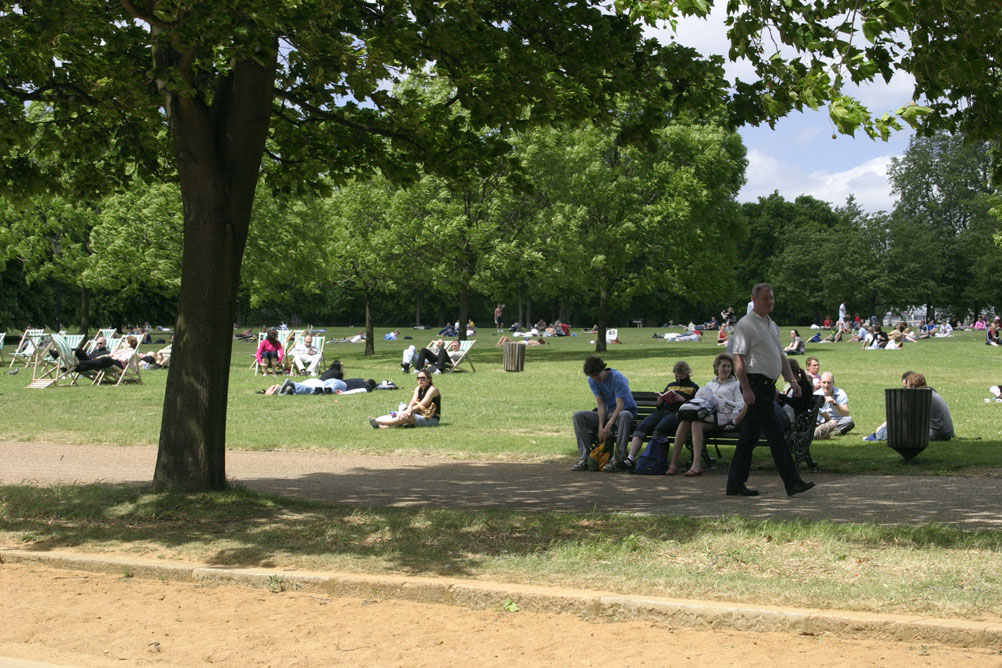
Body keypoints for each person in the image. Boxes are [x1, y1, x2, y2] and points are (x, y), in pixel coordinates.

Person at [726, 283, 814, 497]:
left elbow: (780, 356)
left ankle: (735, 483)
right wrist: (746, 389)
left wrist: (792, 381)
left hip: (766, 387)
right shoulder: (746, 324)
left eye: (772, 298)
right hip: (755, 386)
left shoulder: (771, 324)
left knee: (748, 438)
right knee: (775, 435)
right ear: (754, 299)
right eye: (766, 298)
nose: (770, 302)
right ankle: (792, 482)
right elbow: (737, 358)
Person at [667, 353, 746, 477]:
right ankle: (673, 464)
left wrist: (721, 400)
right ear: (716, 368)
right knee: (684, 422)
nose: (726, 369)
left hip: (724, 415)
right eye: (723, 366)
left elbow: (740, 405)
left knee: (696, 423)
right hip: (706, 413)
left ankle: (696, 465)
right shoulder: (710, 384)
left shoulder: (735, 385)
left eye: (729, 366)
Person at [618, 361, 699, 472]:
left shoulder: (693, 387)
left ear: (687, 374)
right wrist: (660, 401)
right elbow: (659, 408)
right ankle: (630, 459)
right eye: (676, 376)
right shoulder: (670, 385)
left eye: (681, 376)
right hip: (663, 411)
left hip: (677, 413)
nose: (679, 379)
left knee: (660, 429)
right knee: (642, 427)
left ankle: (652, 459)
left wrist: (684, 400)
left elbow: (695, 405)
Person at [571, 356, 637, 471]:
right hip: (607, 413)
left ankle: (620, 459)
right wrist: (600, 426)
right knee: (578, 416)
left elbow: (620, 405)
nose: (596, 379)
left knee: (624, 415)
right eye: (592, 376)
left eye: (597, 375)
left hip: (623, 412)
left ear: (603, 369)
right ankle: (585, 458)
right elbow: (600, 405)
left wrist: (608, 425)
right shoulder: (592, 380)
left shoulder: (617, 378)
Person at [864, 372, 954, 442]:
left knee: (897, 432)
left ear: (913, 386)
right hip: (946, 432)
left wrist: (882, 428)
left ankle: (876, 436)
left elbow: (903, 418)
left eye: (906, 388)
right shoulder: (931, 393)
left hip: (937, 433)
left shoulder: (921, 396)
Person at [369, 371, 441, 428]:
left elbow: (421, 405)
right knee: (399, 415)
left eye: (423, 378)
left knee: (407, 417)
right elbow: (413, 401)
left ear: (429, 379)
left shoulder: (432, 390)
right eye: (418, 378)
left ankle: (379, 422)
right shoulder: (418, 389)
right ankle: (380, 426)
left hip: (431, 419)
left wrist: (407, 412)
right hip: (419, 414)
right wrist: (408, 409)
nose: (420, 380)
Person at [813, 371, 854, 438]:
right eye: (824, 382)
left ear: (833, 383)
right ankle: (831, 432)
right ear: (820, 383)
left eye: (829, 382)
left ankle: (827, 432)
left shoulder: (840, 393)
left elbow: (846, 413)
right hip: (821, 421)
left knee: (849, 421)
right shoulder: (816, 395)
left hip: (836, 420)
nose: (826, 385)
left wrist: (834, 403)